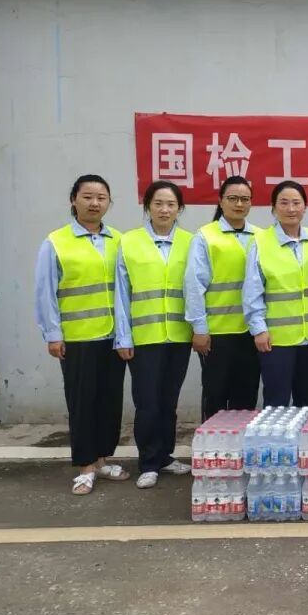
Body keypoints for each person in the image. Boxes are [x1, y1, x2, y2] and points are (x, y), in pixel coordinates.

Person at [35, 175, 130, 495]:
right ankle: (86, 466)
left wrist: (125, 334)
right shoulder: (56, 242)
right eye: (87, 196)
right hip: (77, 339)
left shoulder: (118, 240)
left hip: (112, 337)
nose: (94, 203)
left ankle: (102, 460)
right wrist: (53, 333)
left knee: (109, 401)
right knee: (82, 402)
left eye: (101, 197)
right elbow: (45, 292)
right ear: (73, 200)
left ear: (109, 203)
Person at [114, 180, 195, 489]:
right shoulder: (129, 242)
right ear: (147, 206)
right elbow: (121, 293)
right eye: (158, 203)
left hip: (178, 335)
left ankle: (165, 456)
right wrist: (123, 336)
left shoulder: (190, 242)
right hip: (144, 337)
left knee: (168, 401)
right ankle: (148, 462)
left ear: (179, 209)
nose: (164, 210)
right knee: (147, 402)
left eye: (171, 204)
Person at [243, 181, 308, 414]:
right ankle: (275, 439)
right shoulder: (261, 242)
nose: (291, 209)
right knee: (276, 401)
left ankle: (305, 439)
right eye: (284, 203)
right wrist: (258, 329)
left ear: (305, 207)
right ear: (273, 207)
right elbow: (252, 291)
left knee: (306, 400)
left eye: (296, 203)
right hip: (275, 340)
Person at [185, 175, 260, 419]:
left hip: (251, 332)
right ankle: (212, 442)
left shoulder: (260, 236)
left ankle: (239, 442)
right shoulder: (206, 236)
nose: (239, 204)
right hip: (216, 334)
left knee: (246, 395)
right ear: (220, 201)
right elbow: (194, 285)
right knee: (215, 395)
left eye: (245, 199)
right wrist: (199, 328)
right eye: (233, 198)